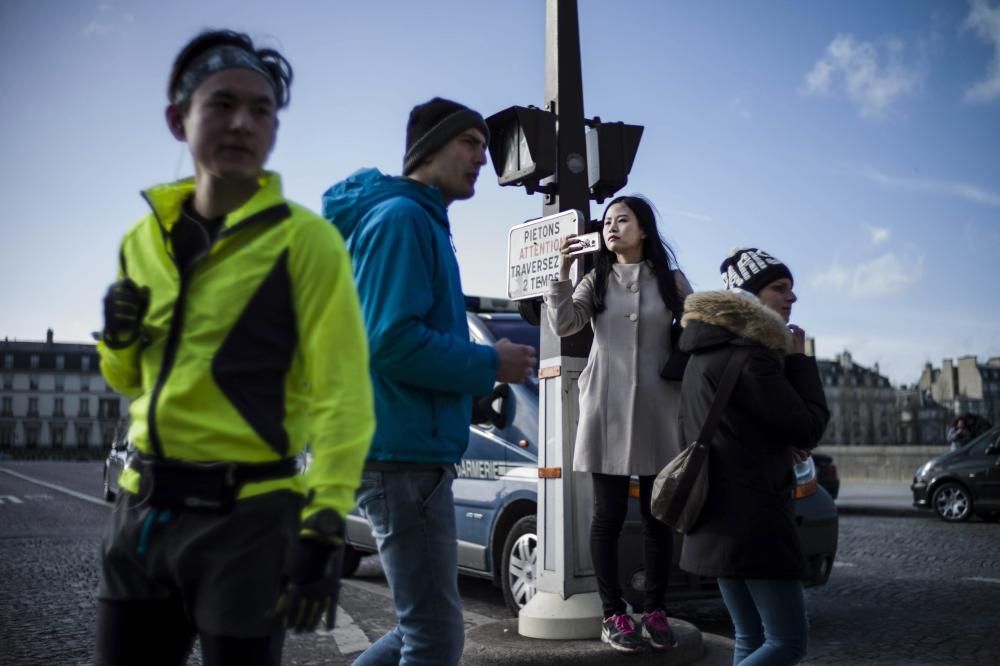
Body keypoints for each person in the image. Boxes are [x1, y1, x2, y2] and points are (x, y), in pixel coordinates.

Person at [94, 30, 374, 666]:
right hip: (140, 512)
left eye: (261, 109)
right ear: (179, 119)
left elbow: (344, 391)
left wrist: (326, 519)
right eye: (221, 104)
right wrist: (117, 338)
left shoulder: (308, 242)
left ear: (275, 127)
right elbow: (130, 380)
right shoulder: (142, 240)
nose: (243, 123)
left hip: (249, 520)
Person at [321, 97, 537, 665]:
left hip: (406, 450)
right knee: (434, 637)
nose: (482, 161)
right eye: (469, 143)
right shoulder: (403, 220)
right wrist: (490, 363)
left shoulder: (419, 220)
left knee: (426, 632)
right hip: (401, 456)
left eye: (485, 148)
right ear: (430, 148)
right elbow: (389, 341)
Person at [544, 195, 692, 653]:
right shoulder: (597, 278)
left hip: (658, 406)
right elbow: (566, 324)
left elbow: (697, 329)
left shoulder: (670, 280)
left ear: (643, 229)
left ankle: (655, 609)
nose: (611, 227)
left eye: (622, 220)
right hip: (605, 404)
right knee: (607, 516)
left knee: (656, 516)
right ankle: (613, 614)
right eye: (607, 221)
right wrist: (563, 273)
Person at [677, 248, 830, 665]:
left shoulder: (700, 352)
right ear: (750, 295)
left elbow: (736, 426)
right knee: (785, 642)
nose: (791, 298)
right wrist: (799, 361)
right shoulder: (754, 356)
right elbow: (809, 427)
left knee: (749, 636)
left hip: (713, 514)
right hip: (755, 517)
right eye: (780, 288)